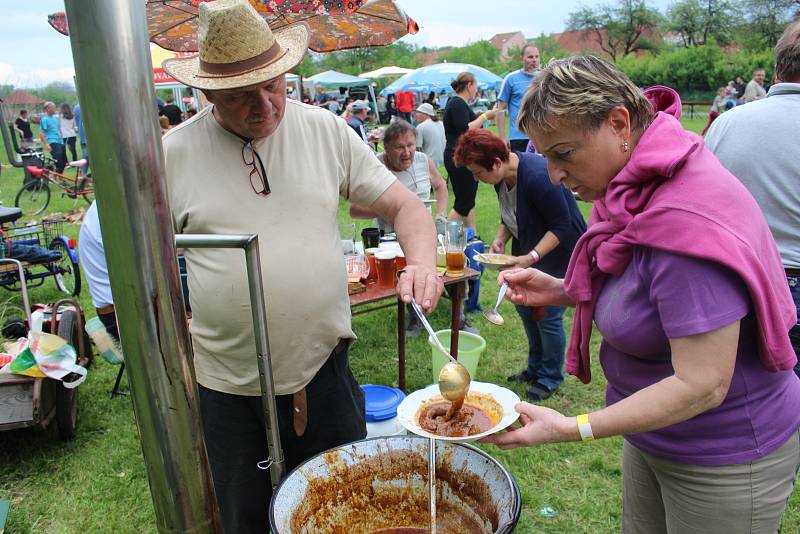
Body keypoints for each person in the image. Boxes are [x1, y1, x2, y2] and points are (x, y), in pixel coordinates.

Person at [479, 54, 800, 533]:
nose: (554, 175)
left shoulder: (684, 224)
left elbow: (703, 383)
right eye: (544, 156)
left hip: (723, 452)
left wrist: (572, 427)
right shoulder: (635, 180)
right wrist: (565, 289)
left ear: (619, 123)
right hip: (653, 431)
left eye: (563, 153)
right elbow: (645, 288)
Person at [160, 2, 443, 532]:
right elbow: (130, 259)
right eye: (243, 93)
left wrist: (422, 263)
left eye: (273, 83)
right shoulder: (172, 155)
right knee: (245, 519)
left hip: (324, 371)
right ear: (207, 93)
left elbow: (404, 206)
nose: (265, 103)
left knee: (345, 509)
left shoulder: (326, 131)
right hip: (228, 388)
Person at [454, 129, 586, 400]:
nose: (477, 179)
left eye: (479, 173)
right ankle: (534, 367)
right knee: (527, 309)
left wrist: (531, 257)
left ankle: (550, 376)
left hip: (557, 256)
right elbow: (510, 214)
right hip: (528, 252)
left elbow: (564, 226)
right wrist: (501, 238)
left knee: (547, 316)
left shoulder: (539, 176)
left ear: (498, 162)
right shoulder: (501, 178)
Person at [705, 20, 800, 378]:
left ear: (777, 69)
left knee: (756, 394)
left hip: (740, 282)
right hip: (760, 276)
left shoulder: (728, 123)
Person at [350, 120, 450, 336]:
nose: (407, 153)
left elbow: (441, 186)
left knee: (452, 260)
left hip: (426, 233)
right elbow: (354, 210)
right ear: (386, 149)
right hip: (391, 239)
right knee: (409, 270)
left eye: (410, 145)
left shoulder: (424, 161)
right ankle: (414, 316)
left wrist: (441, 213)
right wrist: (393, 210)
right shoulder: (376, 166)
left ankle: (459, 314)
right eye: (399, 147)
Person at [443, 72, 498, 230]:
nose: (477, 90)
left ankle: (471, 236)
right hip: (459, 157)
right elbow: (464, 130)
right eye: (476, 86)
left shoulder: (459, 104)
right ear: (469, 86)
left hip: (461, 156)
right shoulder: (457, 103)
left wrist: (479, 117)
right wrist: (485, 117)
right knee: (464, 203)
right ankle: (443, 237)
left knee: (468, 200)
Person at [495, 44, 541, 152]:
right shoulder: (511, 79)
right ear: (522, 59)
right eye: (530, 57)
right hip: (519, 137)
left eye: (537, 56)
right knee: (520, 168)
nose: (534, 60)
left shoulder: (544, 77)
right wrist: (502, 137)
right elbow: (500, 108)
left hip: (540, 135)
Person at [414, 102, 445, 167]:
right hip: (445, 163)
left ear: (426, 114)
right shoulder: (442, 124)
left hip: (430, 165)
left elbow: (418, 150)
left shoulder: (420, 127)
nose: (416, 115)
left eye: (419, 112)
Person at [39, 101, 66, 172]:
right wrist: (46, 144)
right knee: (58, 160)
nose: (55, 109)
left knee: (64, 161)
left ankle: (59, 176)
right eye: (53, 107)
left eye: (55, 107)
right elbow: (41, 133)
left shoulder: (56, 118)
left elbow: (58, 129)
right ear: (47, 109)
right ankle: (58, 178)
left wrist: (62, 139)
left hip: (60, 141)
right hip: (52, 141)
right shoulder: (44, 119)